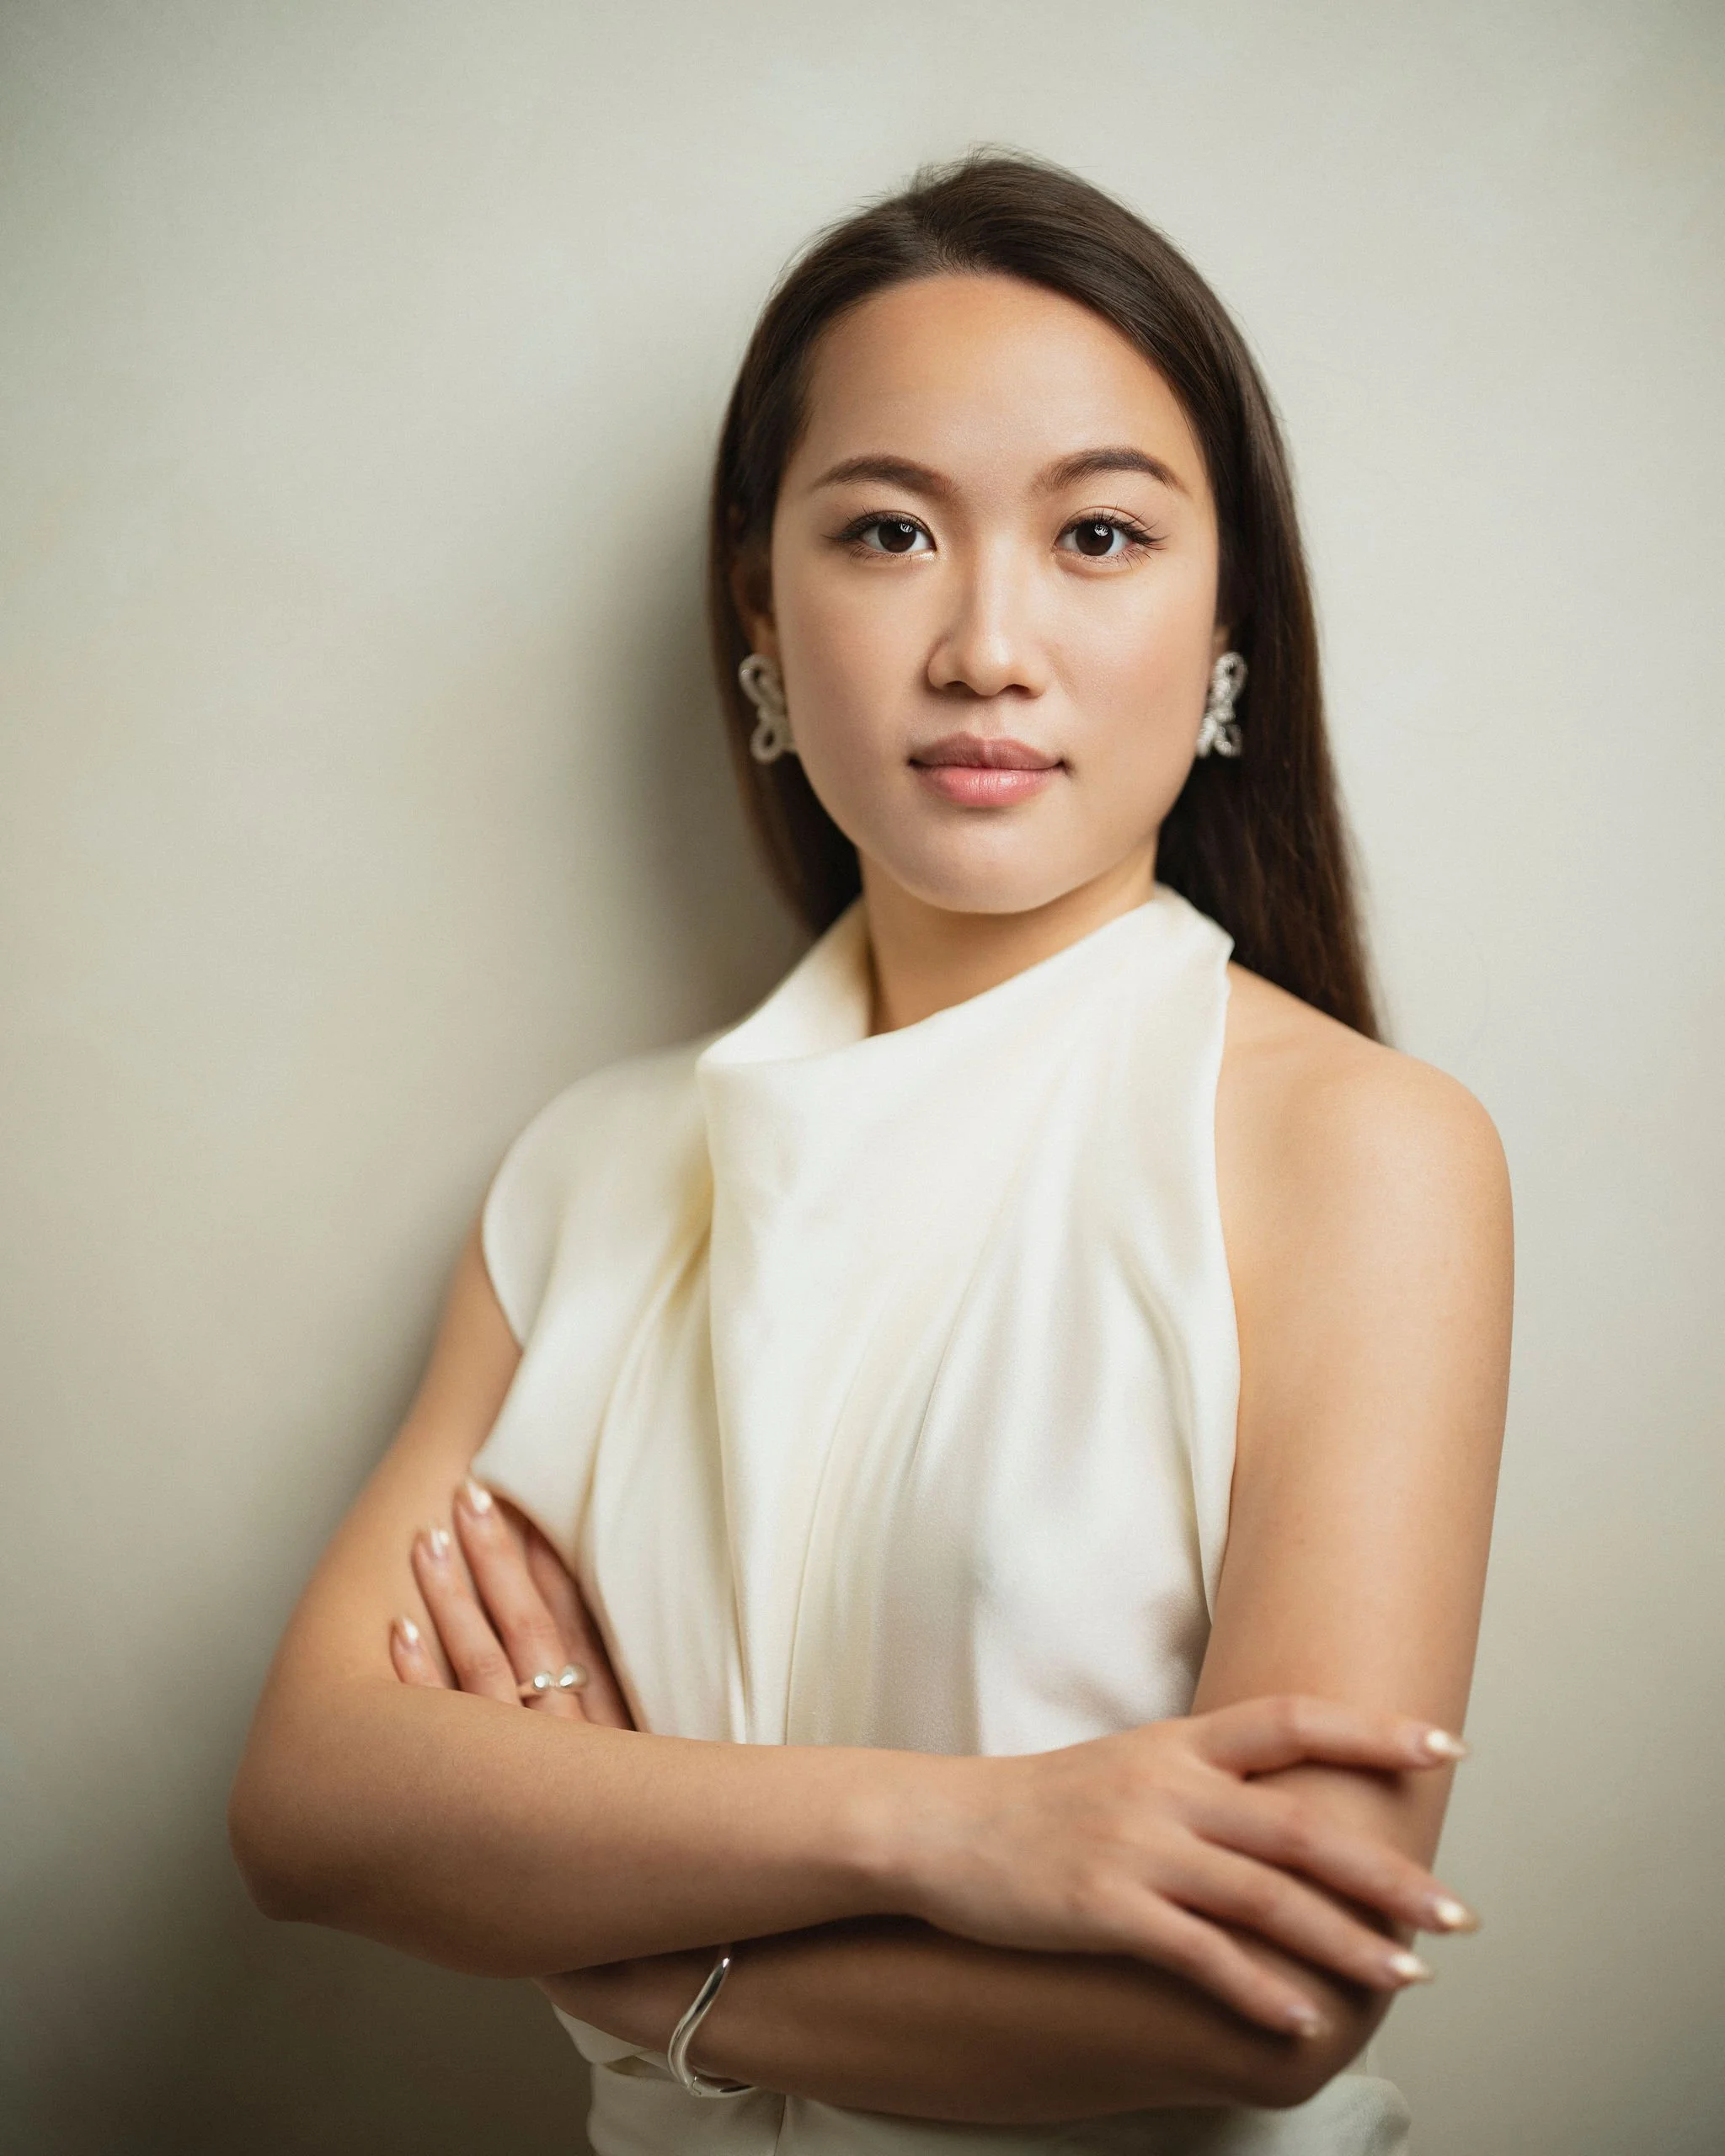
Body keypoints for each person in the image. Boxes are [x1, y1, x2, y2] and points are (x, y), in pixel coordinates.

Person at [230, 152, 1511, 2153]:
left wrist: (650, 1961)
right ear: (762, 607)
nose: (986, 644)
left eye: (1097, 533)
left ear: (1226, 615)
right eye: (891, 529)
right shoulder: (590, 1169)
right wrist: (965, 1829)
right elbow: (312, 1800)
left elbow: (1275, 1990)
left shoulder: (1359, 1148)